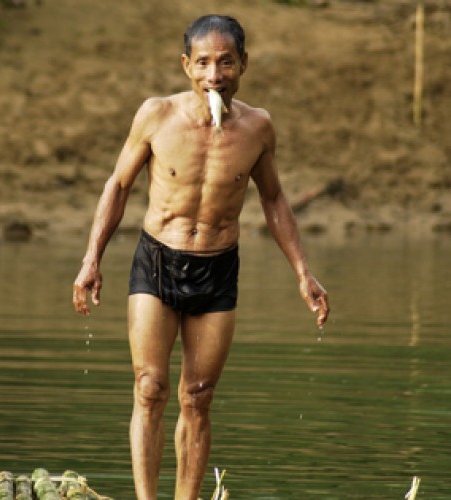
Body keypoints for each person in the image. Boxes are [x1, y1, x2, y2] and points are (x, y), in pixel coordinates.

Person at [73, 14, 329, 500]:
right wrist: (91, 260)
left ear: (244, 64)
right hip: (157, 260)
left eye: (226, 62)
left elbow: (274, 200)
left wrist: (303, 272)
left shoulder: (258, 127)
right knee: (150, 386)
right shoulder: (156, 115)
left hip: (217, 266)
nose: (215, 75)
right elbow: (119, 185)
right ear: (187, 65)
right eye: (205, 63)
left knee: (198, 397)